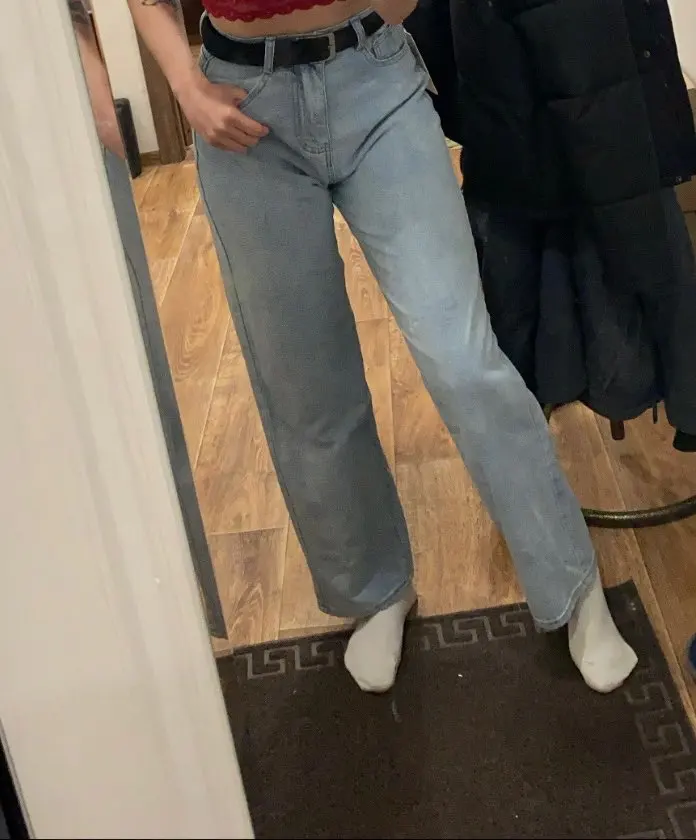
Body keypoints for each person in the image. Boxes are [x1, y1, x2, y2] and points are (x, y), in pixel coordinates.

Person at [125, 0, 637, 694]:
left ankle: (572, 583)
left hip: (372, 77)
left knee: (464, 362)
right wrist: (184, 84)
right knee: (304, 382)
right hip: (239, 102)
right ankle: (375, 589)